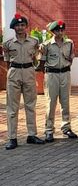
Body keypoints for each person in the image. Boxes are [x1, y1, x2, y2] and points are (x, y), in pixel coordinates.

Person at [3, 13, 45, 150]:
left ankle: (31, 135)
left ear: (26, 26)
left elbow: (35, 57)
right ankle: (12, 137)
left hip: (28, 71)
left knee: (30, 105)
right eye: (17, 25)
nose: (20, 27)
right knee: (12, 107)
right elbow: (7, 61)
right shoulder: (8, 43)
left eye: (22, 25)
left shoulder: (33, 41)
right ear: (13, 27)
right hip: (14, 72)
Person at [40, 19, 77, 142]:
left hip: (65, 73)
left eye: (62, 30)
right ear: (52, 31)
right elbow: (41, 62)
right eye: (57, 30)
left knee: (65, 102)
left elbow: (71, 58)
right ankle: (49, 130)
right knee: (51, 102)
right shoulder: (46, 45)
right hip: (52, 74)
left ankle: (66, 127)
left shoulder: (69, 43)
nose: (60, 32)